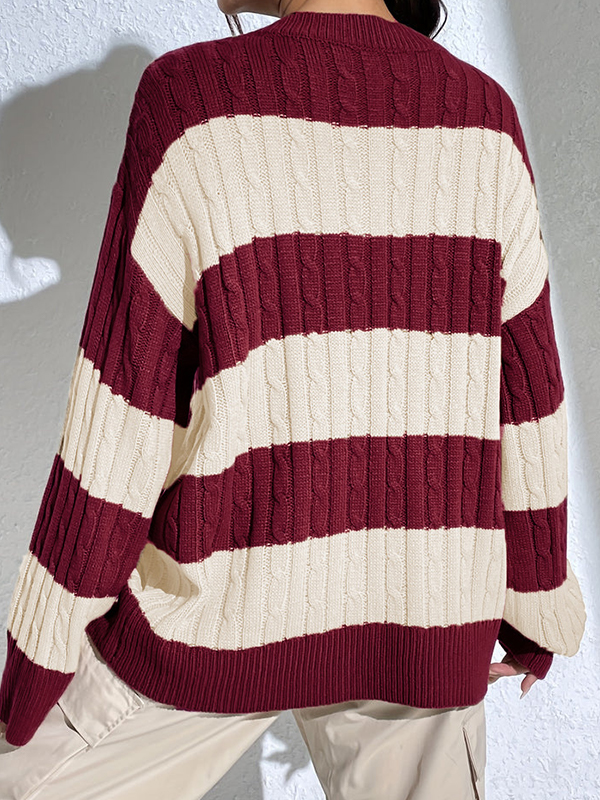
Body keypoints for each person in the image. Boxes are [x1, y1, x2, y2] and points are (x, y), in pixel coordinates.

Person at [0, 0, 587, 797]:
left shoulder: (189, 101)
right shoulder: (485, 118)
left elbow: (120, 411)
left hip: (217, 613)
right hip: (423, 613)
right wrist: (535, 603)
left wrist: (37, 662)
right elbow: (527, 393)